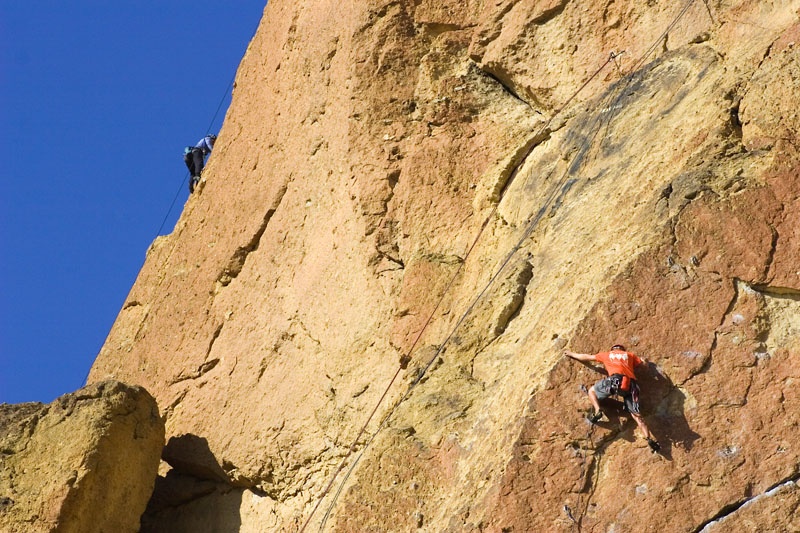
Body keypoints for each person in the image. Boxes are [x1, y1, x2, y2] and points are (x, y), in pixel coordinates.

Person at [564, 344, 660, 452]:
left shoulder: (607, 355)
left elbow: (587, 357)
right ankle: (649, 438)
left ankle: (597, 410)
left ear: (612, 349)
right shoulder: (630, 355)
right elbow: (644, 366)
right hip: (631, 386)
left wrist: (571, 354)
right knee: (638, 417)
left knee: (592, 391)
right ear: (623, 350)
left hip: (615, 381)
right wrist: (645, 361)